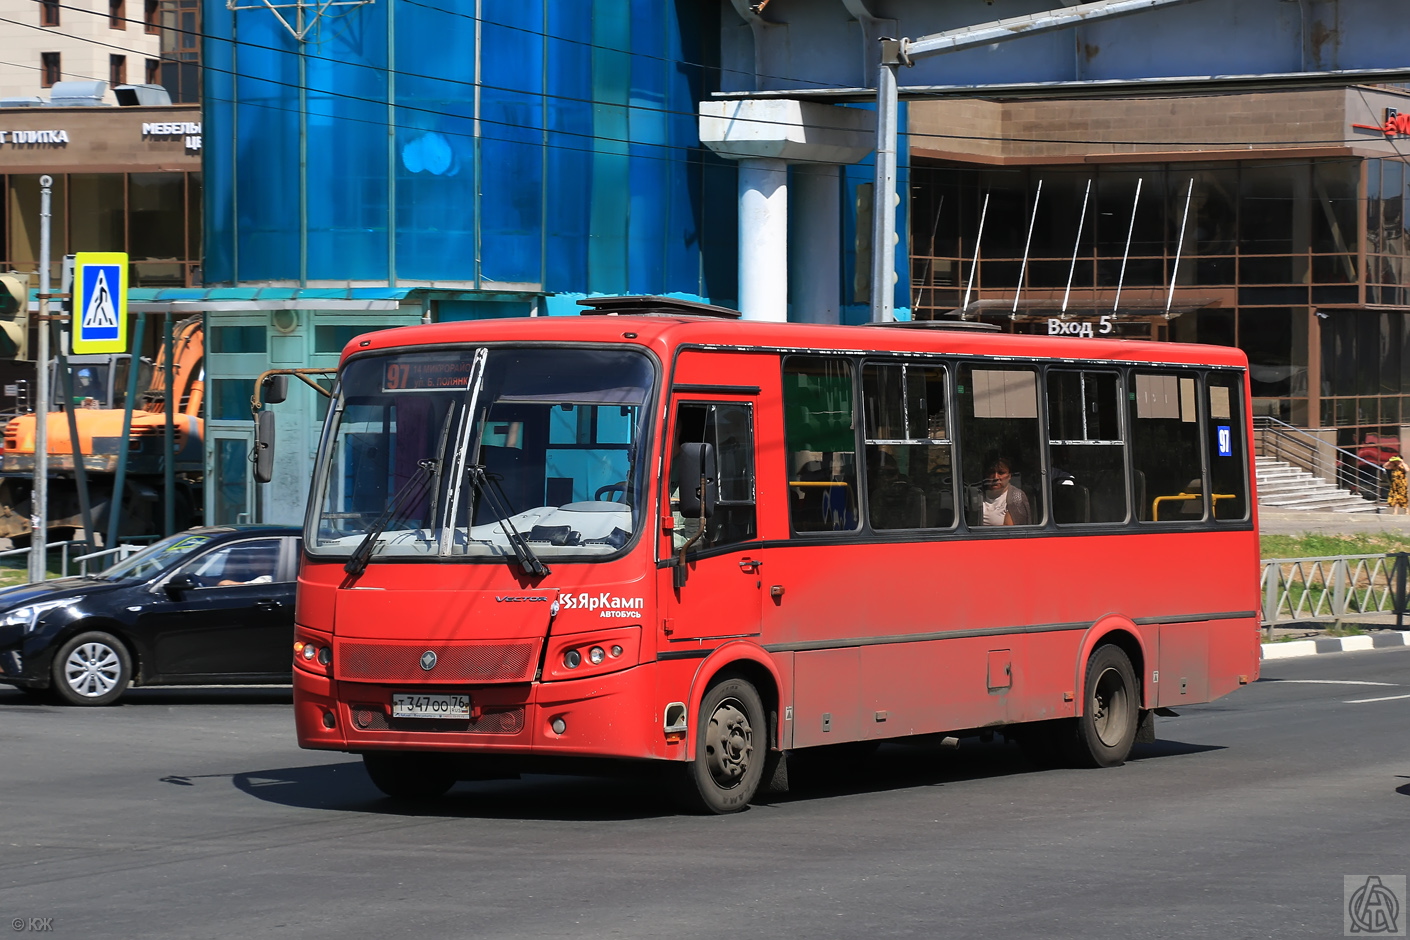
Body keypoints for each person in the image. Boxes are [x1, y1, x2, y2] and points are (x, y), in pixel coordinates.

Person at [980, 456, 1031, 526]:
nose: (995, 477)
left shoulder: (1016, 497)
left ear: (1009, 476)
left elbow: (1010, 531)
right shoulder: (978, 494)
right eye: (991, 472)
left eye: (1001, 473)